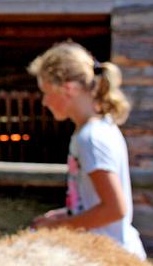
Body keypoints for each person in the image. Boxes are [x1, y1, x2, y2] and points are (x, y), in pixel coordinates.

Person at [28, 42, 146, 260]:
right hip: (103, 250)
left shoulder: (91, 138)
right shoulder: (94, 130)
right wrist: (64, 215)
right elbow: (94, 202)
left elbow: (114, 209)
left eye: (46, 92)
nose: (44, 102)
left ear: (68, 88)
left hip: (110, 256)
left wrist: (58, 226)